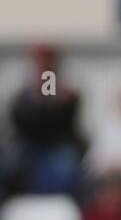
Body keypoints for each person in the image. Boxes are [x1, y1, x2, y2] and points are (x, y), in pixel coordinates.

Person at [5, 43, 85, 195]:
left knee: (65, 164)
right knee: (10, 163)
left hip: (57, 143)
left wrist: (56, 100)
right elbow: (19, 118)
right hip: (27, 143)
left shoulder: (67, 87)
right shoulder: (23, 87)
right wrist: (35, 98)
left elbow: (63, 120)